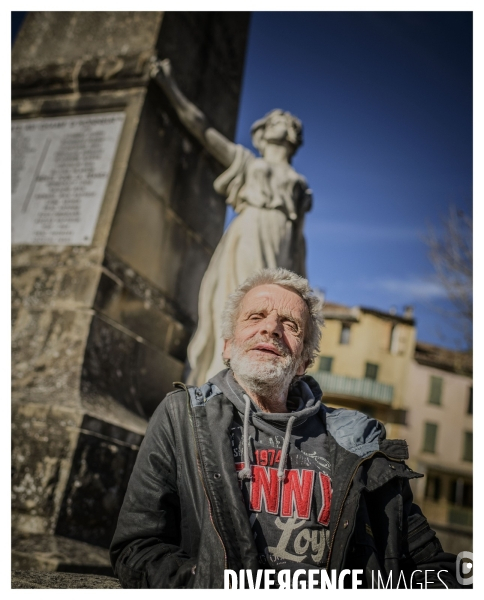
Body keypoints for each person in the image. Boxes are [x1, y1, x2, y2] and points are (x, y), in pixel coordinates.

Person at [110, 268, 462, 589]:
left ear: (303, 362)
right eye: (256, 316)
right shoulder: (182, 416)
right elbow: (137, 547)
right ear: (228, 346)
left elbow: (424, 561)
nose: (270, 328)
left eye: (290, 324)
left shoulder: (361, 441)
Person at [151, 60, 313, 385]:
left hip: (279, 244)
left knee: (273, 309)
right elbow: (204, 131)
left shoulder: (299, 184)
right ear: (263, 132)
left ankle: (260, 378)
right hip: (249, 235)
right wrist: (169, 87)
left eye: (288, 120)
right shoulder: (249, 164)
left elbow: (298, 240)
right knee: (241, 302)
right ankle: (222, 376)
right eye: (276, 119)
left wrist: (300, 286)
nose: (284, 122)